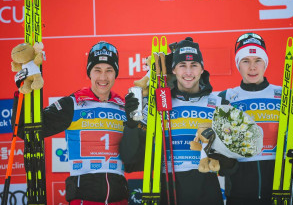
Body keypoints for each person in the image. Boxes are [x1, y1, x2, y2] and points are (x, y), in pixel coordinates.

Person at [13, 41, 129, 204]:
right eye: (97, 70)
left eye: (109, 70)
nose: (103, 77)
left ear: (115, 73)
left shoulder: (124, 106)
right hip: (84, 199)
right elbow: (25, 129)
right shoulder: (73, 104)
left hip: (120, 198)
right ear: (90, 72)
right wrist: (23, 93)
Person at [120, 37, 225, 205]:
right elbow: (130, 158)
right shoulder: (157, 105)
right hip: (168, 191)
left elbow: (232, 162)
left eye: (194, 66)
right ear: (174, 70)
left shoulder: (219, 103)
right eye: (182, 65)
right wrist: (133, 123)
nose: (188, 72)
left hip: (207, 192)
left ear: (202, 69)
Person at [218, 33, 293, 205]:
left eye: (258, 60)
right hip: (238, 194)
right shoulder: (226, 97)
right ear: (238, 65)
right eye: (246, 61)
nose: (252, 67)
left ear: (265, 63)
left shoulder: (284, 96)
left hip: (278, 190)